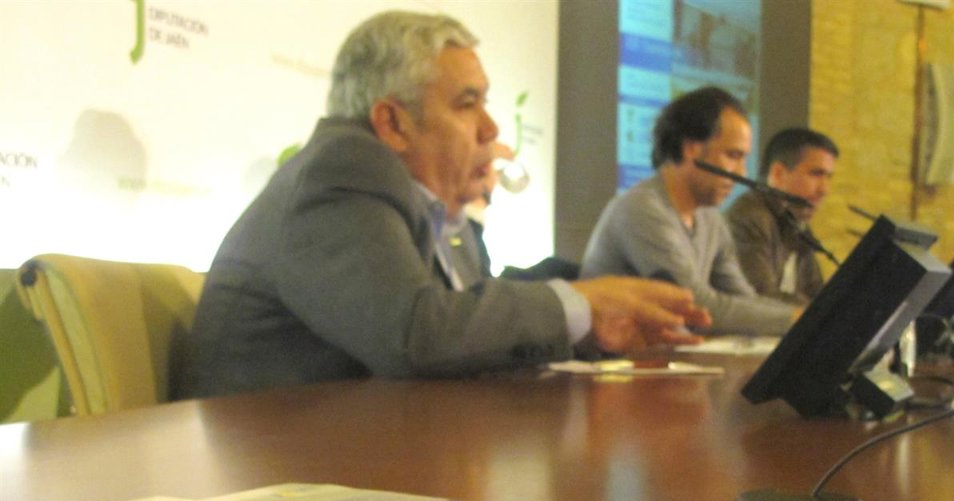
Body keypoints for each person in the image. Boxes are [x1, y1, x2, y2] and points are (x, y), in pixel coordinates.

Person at [177, 11, 708, 399]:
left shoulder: (421, 204)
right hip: (266, 481)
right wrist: (576, 302)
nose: (491, 127)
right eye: (467, 102)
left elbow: (464, 331)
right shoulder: (342, 170)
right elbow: (416, 334)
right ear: (392, 123)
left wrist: (589, 329)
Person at [579, 86, 796, 336]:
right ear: (691, 148)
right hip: (613, 367)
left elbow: (743, 299)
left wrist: (802, 320)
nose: (741, 173)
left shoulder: (710, 218)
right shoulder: (641, 209)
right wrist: (796, 321)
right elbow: (694, 307)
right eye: (733, 155)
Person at [726, 127, 838, 305]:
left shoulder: (796, 221)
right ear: (778, 174)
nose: (824, 190)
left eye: (829, 177)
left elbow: (816, 292)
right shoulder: (749, 218)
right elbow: (759, 298)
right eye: (816, 174)